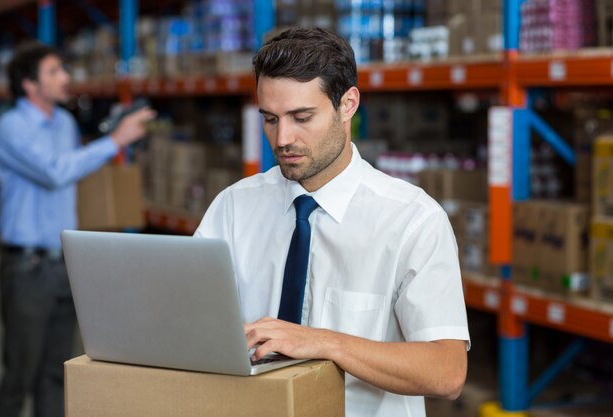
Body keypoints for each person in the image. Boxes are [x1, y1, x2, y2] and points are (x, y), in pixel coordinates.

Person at [195, 27, 470, 417]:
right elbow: (192, 323)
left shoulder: (412, 220)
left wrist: (325, 343)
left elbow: (447, 372)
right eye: (270, 119)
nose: (283, 138)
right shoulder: (234, 207)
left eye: (301, 117)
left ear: (348, 104)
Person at [0, 42, 155, 417]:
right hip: (27, 268)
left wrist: (110, 131)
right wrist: (114, 141)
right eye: (54, 72)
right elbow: (55, 172)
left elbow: (73, 168)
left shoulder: (63, 123)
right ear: (30, 85)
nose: (66, 77)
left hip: (64, 265)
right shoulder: (11, 126)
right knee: (20, 372)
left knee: (56, 372)